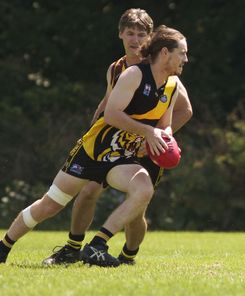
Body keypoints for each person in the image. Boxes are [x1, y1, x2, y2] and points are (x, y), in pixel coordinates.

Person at [0, 24, 189, 267]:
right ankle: (4, 246)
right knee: (51, 204)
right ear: (165, 52)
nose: (186, 58)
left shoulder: (172, 87)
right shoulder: (134, 75)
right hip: (93, 151)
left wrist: (162, 140)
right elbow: (111, 114)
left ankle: (97, 246)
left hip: (122, 157)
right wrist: (146, 131)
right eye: (182, 52)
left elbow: (165, 125)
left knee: (144, 189)